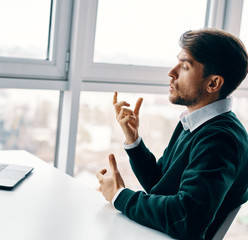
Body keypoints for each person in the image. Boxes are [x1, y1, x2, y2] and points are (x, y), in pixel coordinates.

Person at [96, 28, 248, 240]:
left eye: (185, 66)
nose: (171, 72)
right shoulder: (195, 123)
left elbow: (186, 219)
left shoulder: (220, 140)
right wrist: (134, 140)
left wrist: (120, 196)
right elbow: (160, 186)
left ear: (213, 83)